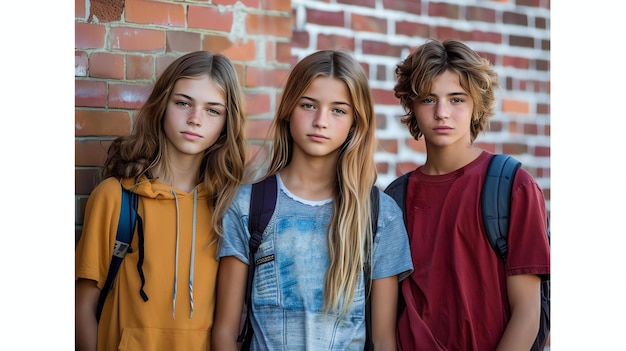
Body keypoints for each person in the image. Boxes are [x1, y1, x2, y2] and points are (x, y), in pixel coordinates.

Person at [211, 50, 414, 351]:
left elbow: (383, 340)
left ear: (356, 123)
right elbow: (225, 331)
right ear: (288, 109)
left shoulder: (379, 215)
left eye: (338, 110)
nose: (321, 121)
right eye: (308, 105)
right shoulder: (247, 206)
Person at [75, 51, 247, 351]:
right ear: (162, 105)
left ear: (226, 124)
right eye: (183, 103)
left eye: (213, 110)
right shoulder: (116, 197)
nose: (195, 119)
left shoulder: (230, 206)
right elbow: (82, 307)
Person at [387, 38, 550, 350]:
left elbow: (528, 314)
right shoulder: (395, 199)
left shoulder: (513, 186)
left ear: (477, 104)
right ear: (412, 106)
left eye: (457, 99)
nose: (442, 113)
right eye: (428, 99)